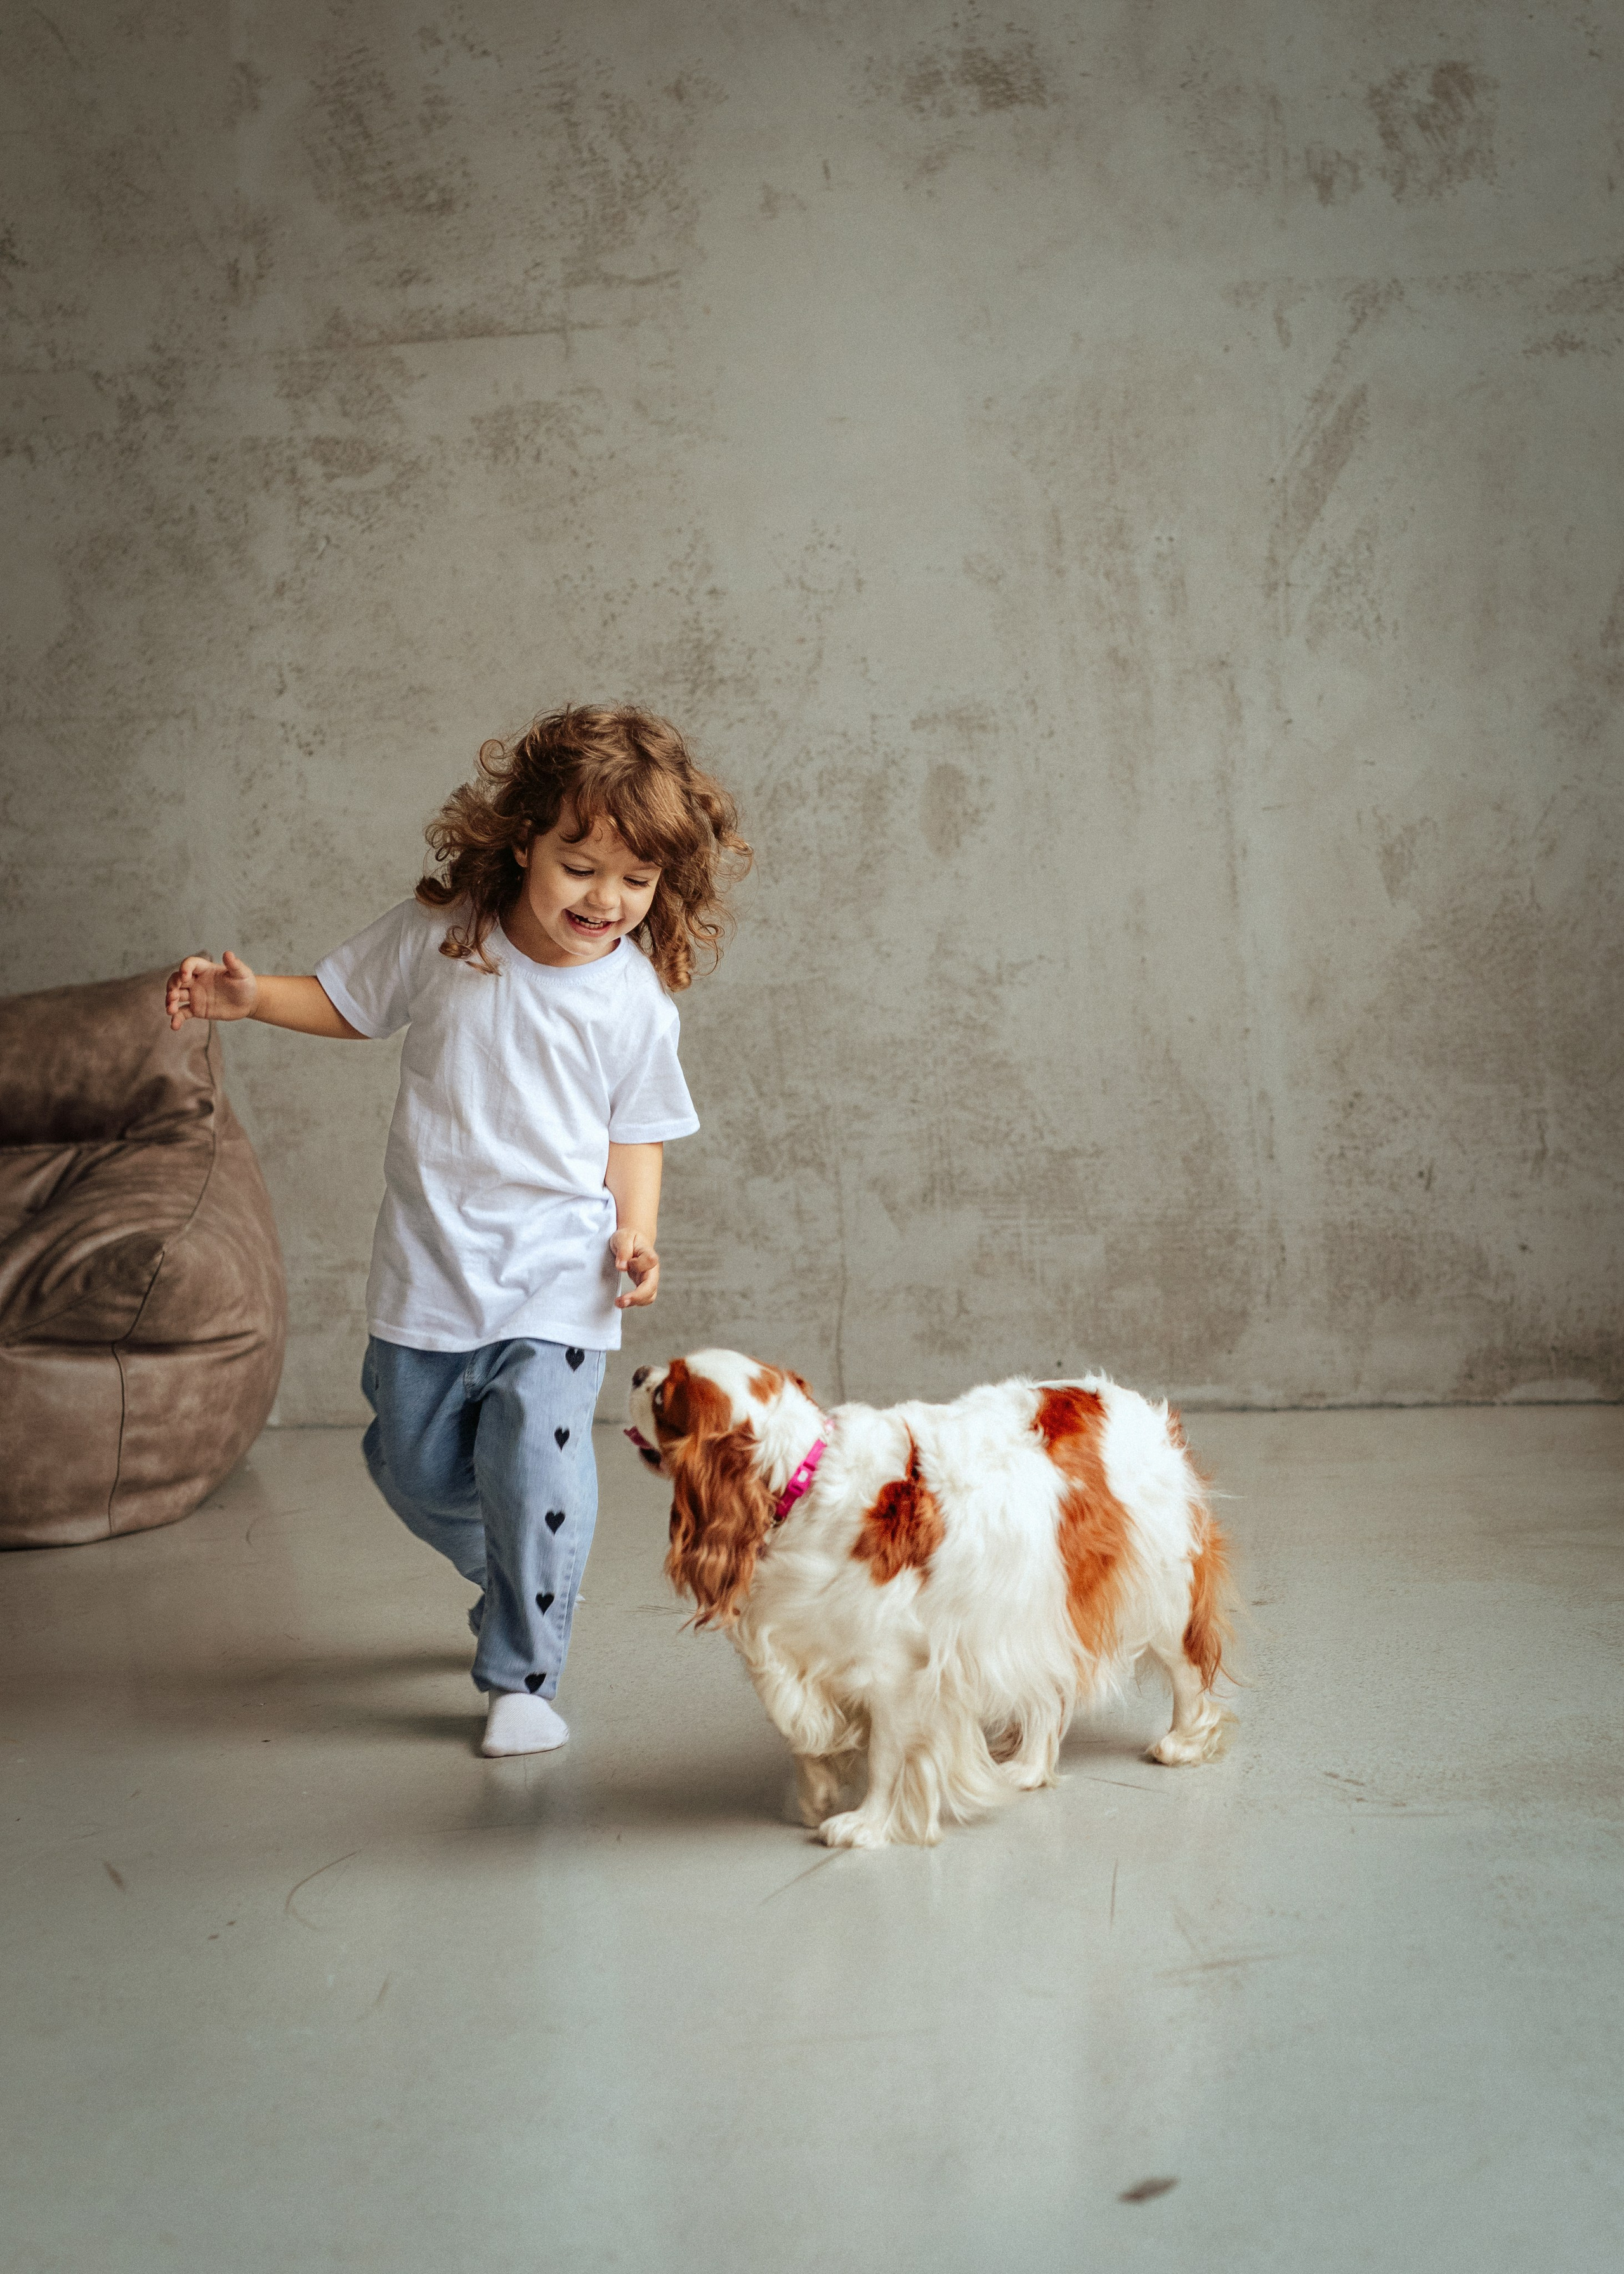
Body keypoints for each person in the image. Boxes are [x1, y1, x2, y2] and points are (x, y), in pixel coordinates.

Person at [165, 706, 749, 1758]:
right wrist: (252, 999)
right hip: (431, 1269)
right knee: (409, 1461)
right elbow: (349, 1004)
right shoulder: (445, 936)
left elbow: (639, 1134)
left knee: (535, 1462)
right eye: (580, 867)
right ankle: (519, 1563)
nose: (606, 901)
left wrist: (638, 1234)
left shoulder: (633, 1003)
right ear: (523, 838)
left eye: (637, 883)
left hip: (560, 1279)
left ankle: (522, 1674)